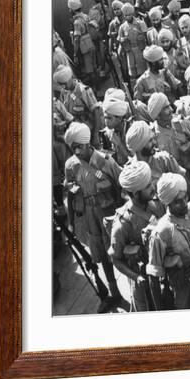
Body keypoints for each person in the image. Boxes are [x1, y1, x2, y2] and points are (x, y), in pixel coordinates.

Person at [64, 122, 122, 303]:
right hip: (89, 215)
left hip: (109, 211)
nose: (75, 151)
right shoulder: (71, 166)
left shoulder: (105, 161)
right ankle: (114, 292)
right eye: (72, 147)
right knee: (102, 254)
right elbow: (71, 196)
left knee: (120, 250)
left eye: (77, 147)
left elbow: (121, 187)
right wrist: (71, 223)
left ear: (86, 144)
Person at [146, 174, 190, 310]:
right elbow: (154, 277)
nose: (185, 203)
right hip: (185, 290)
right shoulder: (161, 232)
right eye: (178, 201)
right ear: (167, 203)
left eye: (185, 197)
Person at [109, 161, 164, 311]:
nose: (153, 187)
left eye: (150, 183)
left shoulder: (157, 203)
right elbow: (116, 259)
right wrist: (136, 277)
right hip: (144, 283)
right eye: (147, 187)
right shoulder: (122, 224)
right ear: (135, 194)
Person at [148, 92, 190, 188]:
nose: (171, 110)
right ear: (157, 115)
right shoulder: (152, 135)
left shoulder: (183, 123)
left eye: (169, 106)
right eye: (165, 108)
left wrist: (187, 144)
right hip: (173, 184)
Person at [125, 120, 186, 188]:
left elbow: (182, 182)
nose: (154, 142)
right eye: (150, 141)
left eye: (153, 139)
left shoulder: (164, 159)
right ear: (140, 146)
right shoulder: (131, 170)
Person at [53, 64, 101, 147]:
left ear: (70, 79)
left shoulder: (83, 91)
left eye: (64, 84)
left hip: (89, 133)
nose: (63, 87)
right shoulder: (64, 93)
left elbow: (96, 112)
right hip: (75, 134)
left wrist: (96, 135)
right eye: (61, 85)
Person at [68, 0, 96, 83]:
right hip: (91, 43)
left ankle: (96, 90)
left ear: (72, 9)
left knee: (89, 70)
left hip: (84, 47)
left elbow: (76, 39)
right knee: (94, 67)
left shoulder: (77, 22)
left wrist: (75, 54)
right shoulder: (85, 16)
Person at [118, 2, 148, 82]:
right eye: (125, 15)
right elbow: (120, 39)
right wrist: (120, 50)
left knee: (142, 71)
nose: (127, 17)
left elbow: (146, 37)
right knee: (132, 72)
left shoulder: (140, 23)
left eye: (129, 15)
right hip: (129, 51)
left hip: (140, 49)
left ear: (132, 14)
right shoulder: (122, 27)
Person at [100, 96, 130, 166]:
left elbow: (135, 160)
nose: (106, 121)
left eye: (109, 118)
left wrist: (119, 144)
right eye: (105, 118)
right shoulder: (109, 131)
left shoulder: (130, 130)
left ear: (119, 118)